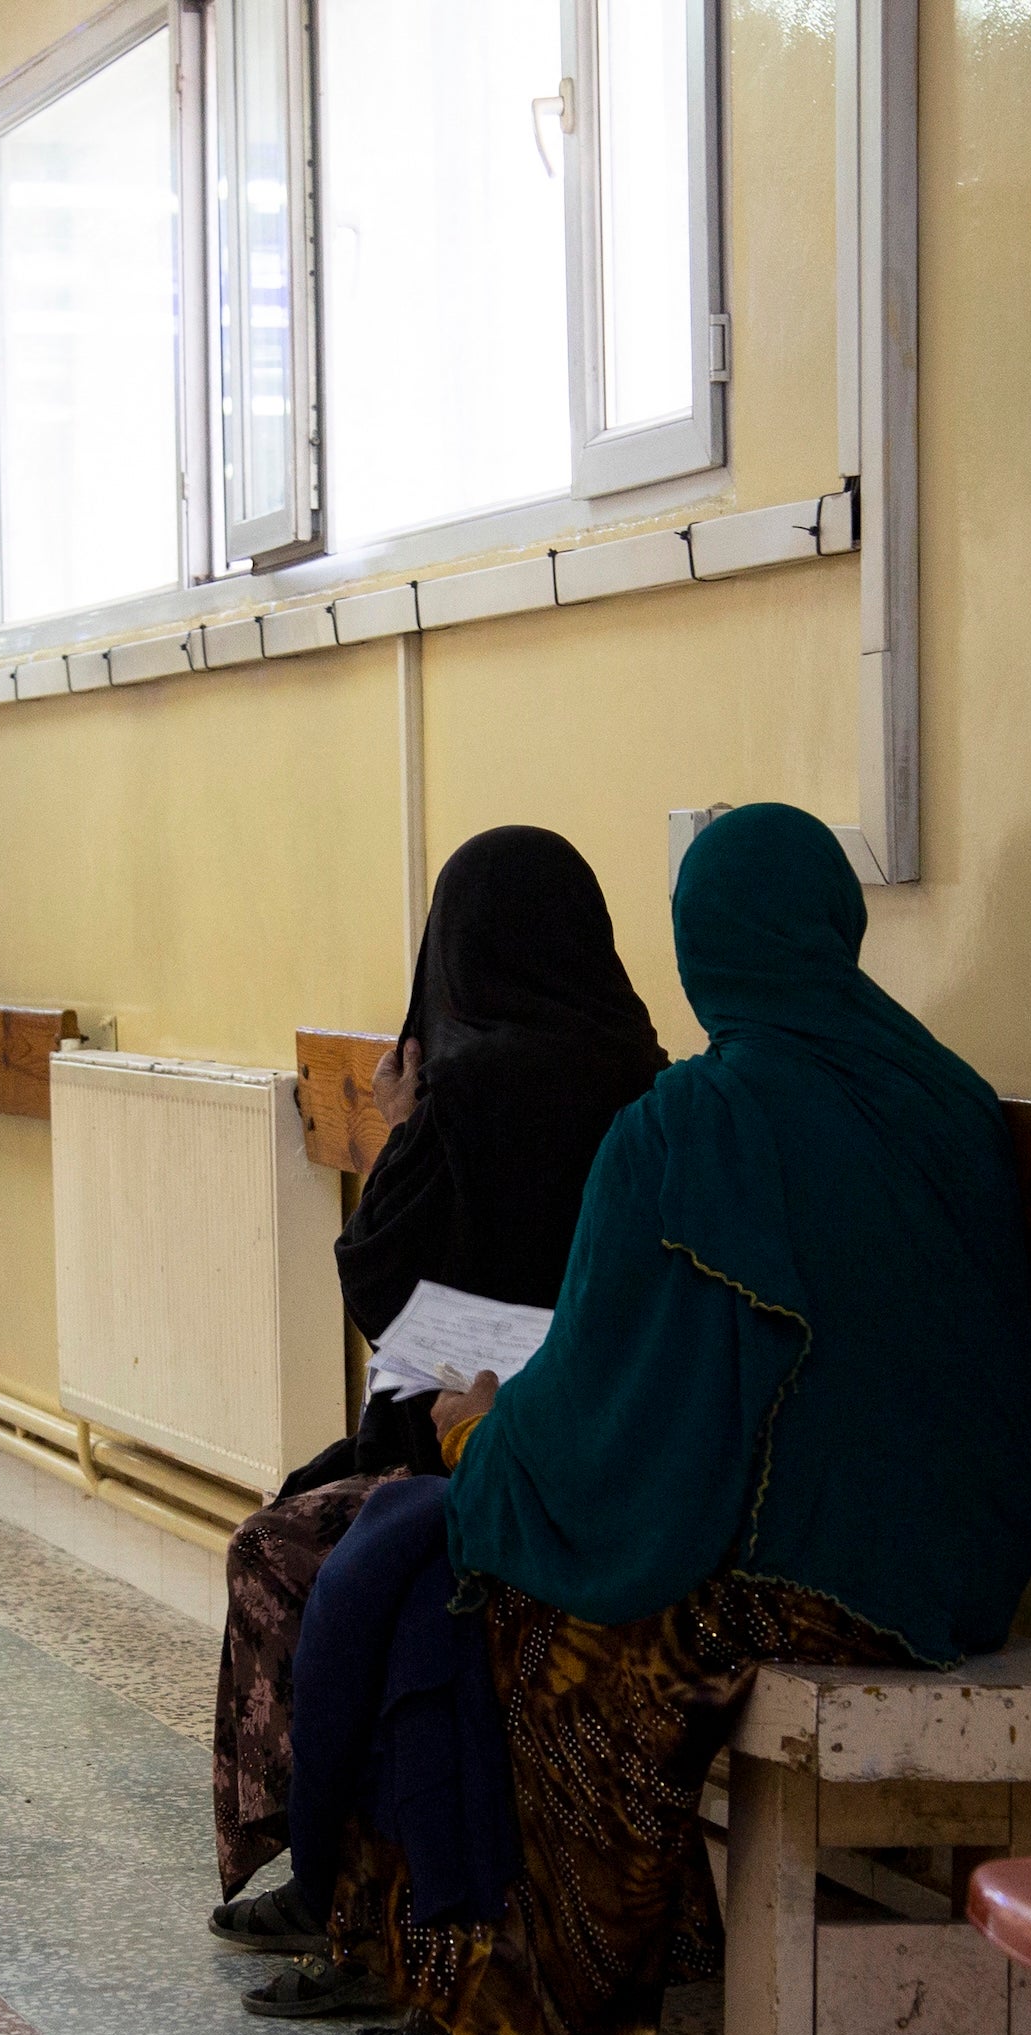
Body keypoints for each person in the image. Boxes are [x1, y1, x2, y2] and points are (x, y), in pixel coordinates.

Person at [289, 800, 1031, 2035]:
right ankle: (572, 1958)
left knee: (530, 1612)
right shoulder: (946, 1099)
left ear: (702, 945)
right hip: (968, 1565)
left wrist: (480, 1433)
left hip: (819, 1575)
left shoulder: (691, 1126)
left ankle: (543, 2017)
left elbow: (603, 1410)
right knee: (513, 1559)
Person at [204, 828, 666, 1974]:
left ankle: (338, 1878)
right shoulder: (650, 1081)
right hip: (616, 1448)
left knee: (285, 1545)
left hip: (490, 1452)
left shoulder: (466, 1091)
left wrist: (403, 1132)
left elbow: (389, 1290)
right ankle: (349, 1881)